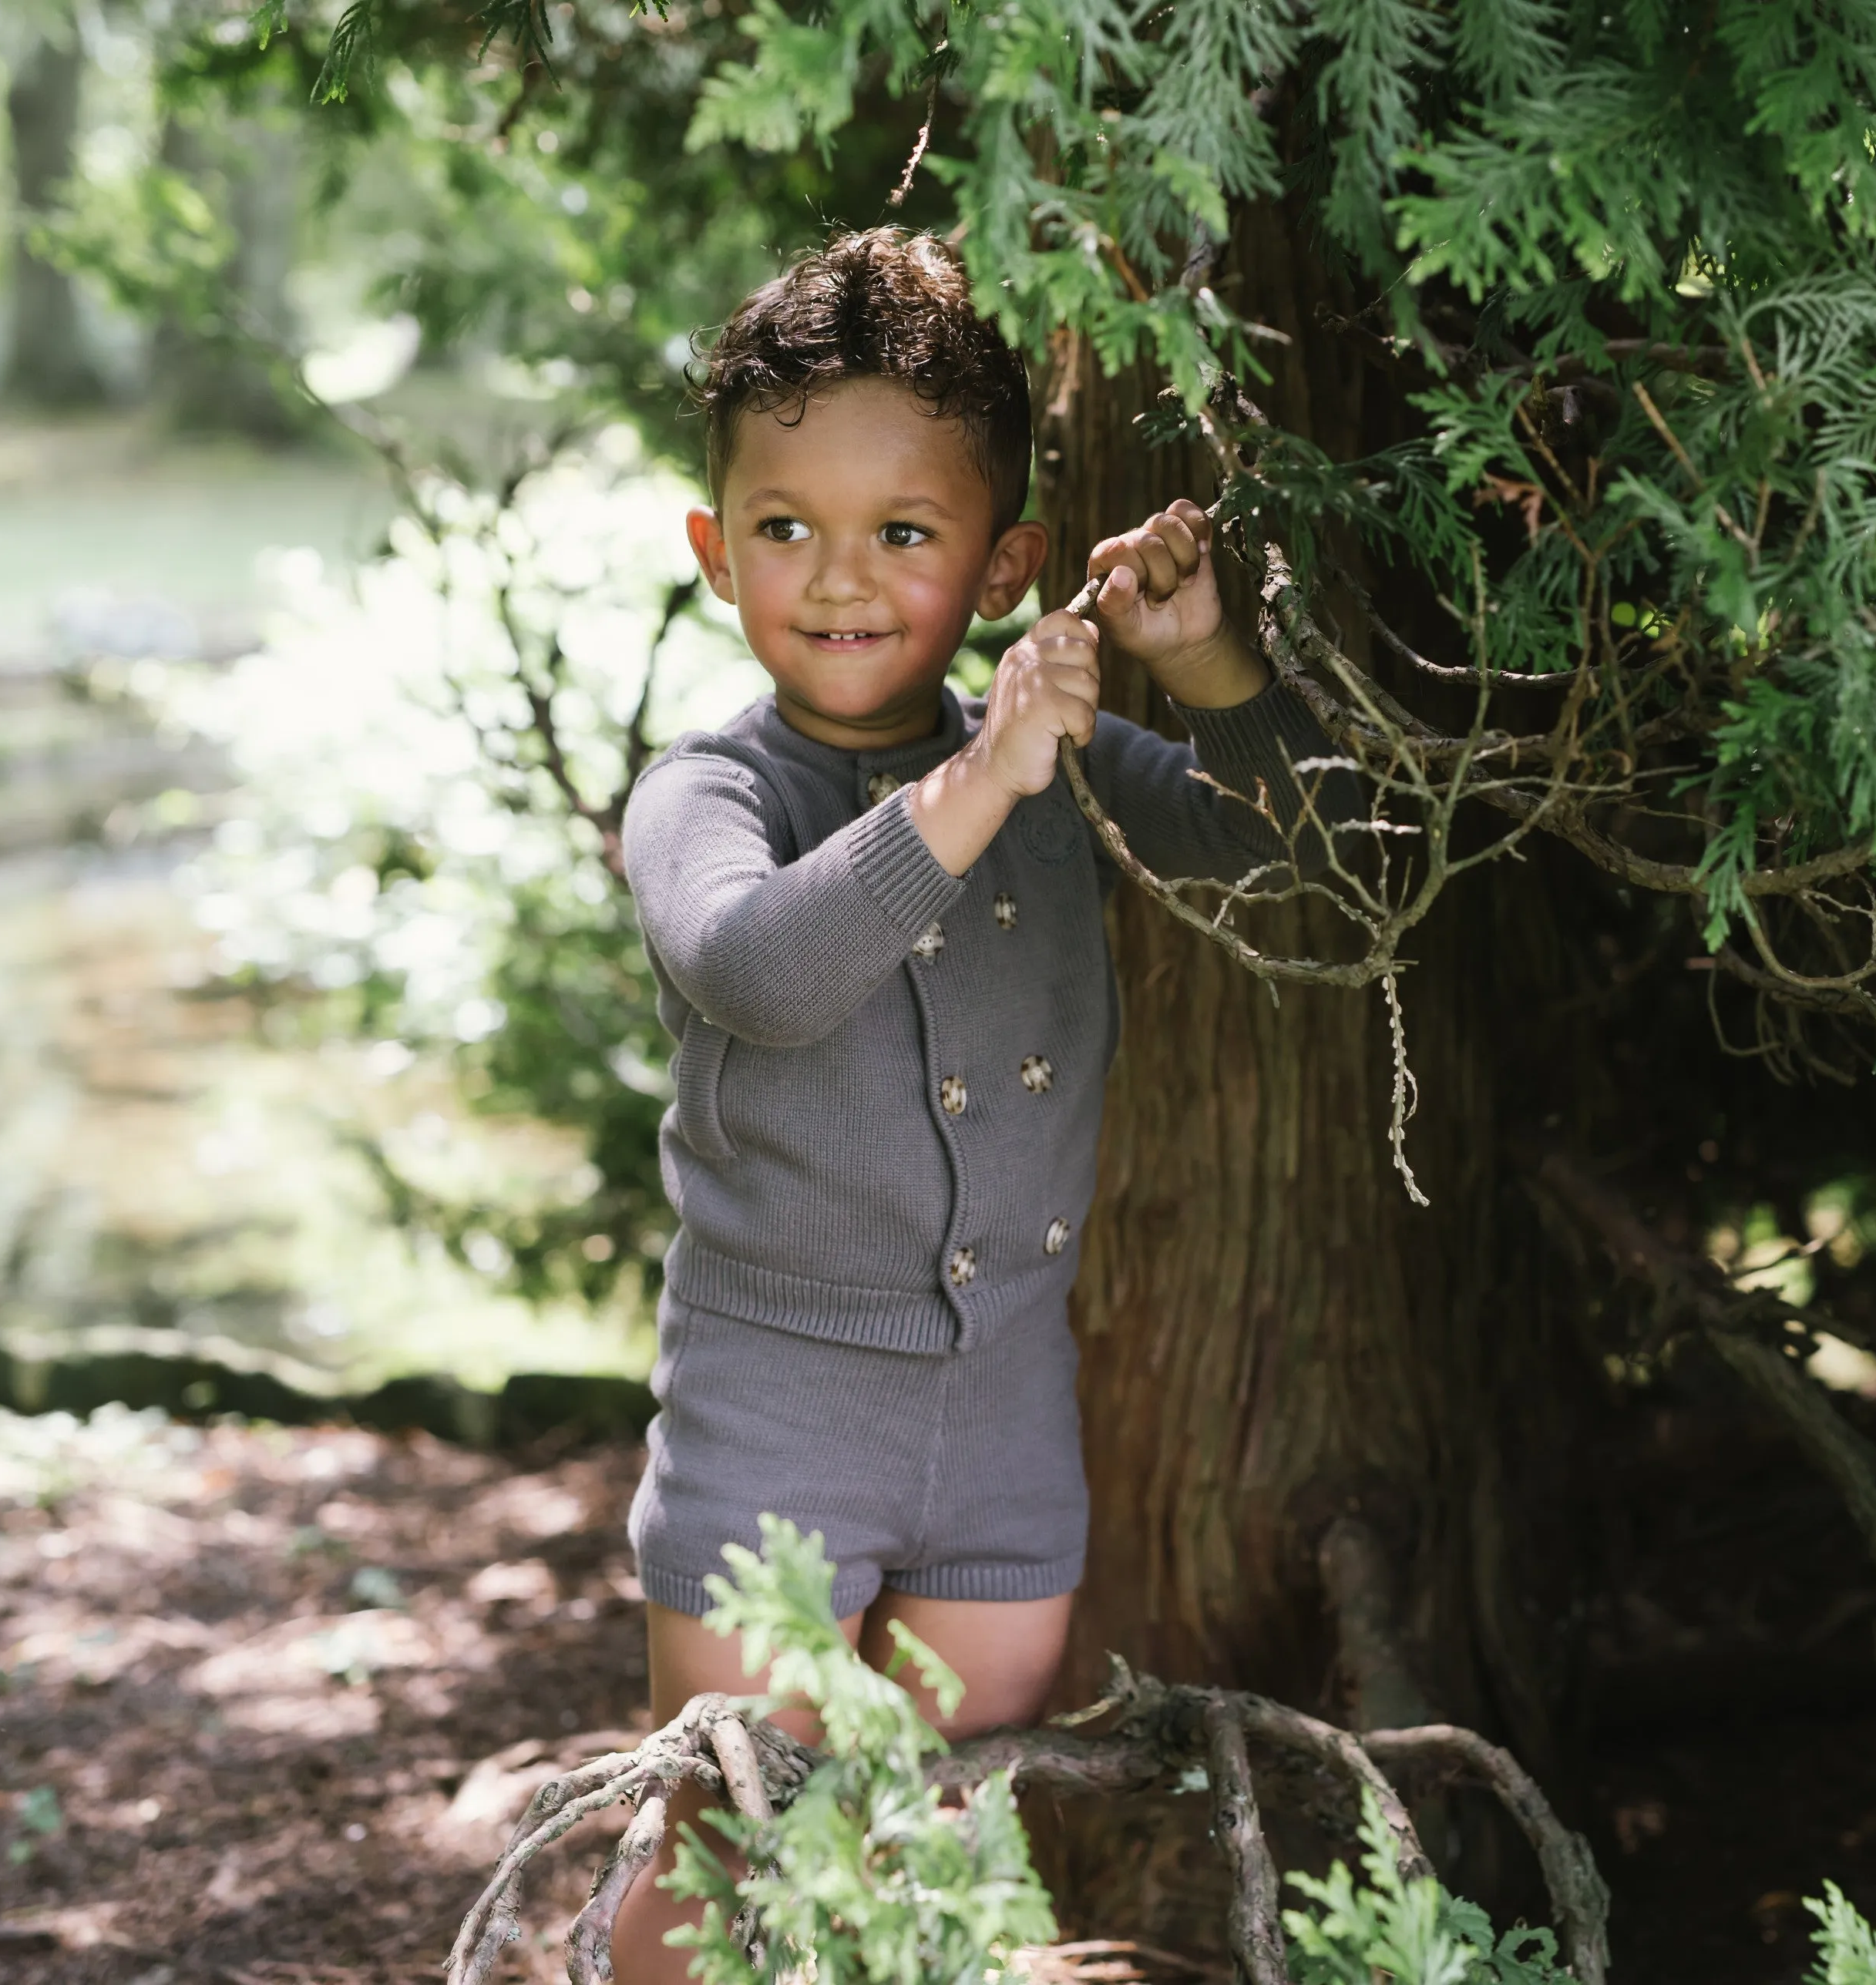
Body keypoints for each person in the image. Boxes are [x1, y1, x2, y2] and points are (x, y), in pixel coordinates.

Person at [610, 227, 1344, 1977]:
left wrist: (1210, 664)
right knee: (732, 1852)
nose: (841, 578)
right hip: (772, 1415)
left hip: (1005, 1415)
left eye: (906, 534)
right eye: (785, 528)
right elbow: (765, 970)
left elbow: (1293, 861)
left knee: (946, 1837)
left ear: (1005, 558)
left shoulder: (1050, 753)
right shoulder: (704, 791)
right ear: (716, 552)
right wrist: (982, 771)